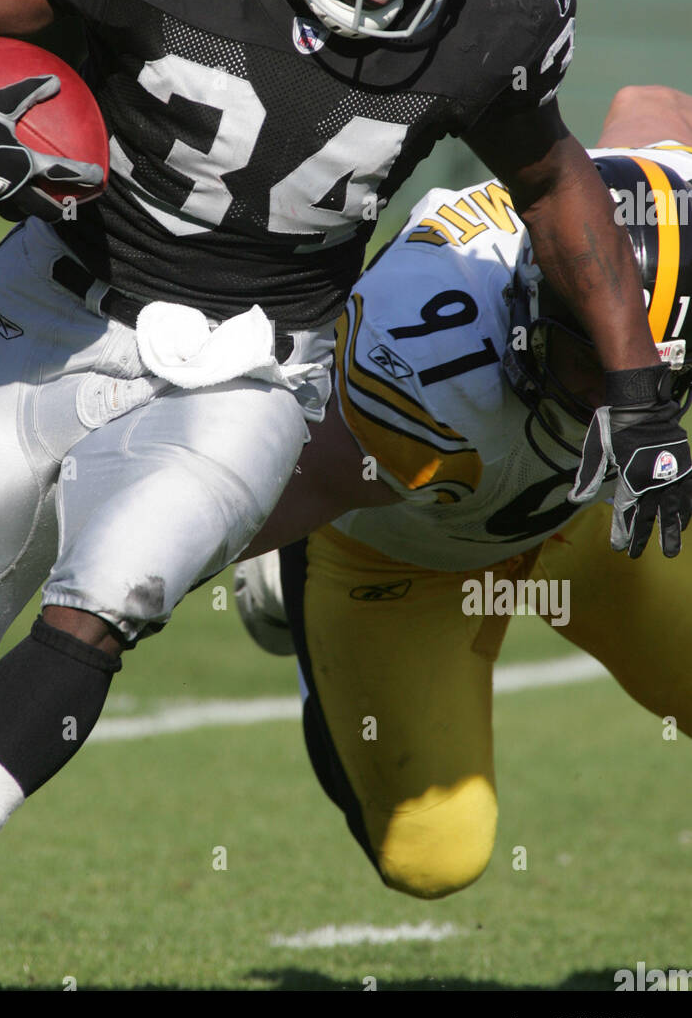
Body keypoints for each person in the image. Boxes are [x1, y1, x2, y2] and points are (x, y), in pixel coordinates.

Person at [0, 0, 691, 990]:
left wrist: (640, 388)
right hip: (64, 304)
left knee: (109, 600)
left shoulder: (494, 4)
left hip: (260, 363)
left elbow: (555, 169)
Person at [234, 83, 692, 900]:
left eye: (656, 376)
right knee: (433, 855)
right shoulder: (427, 370)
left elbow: (650, 100)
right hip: (403, 560)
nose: (615, 394)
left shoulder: (664, 214)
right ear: (531, 307)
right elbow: (232, 509)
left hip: (590, 527)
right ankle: (295, 583)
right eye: (595, 362)